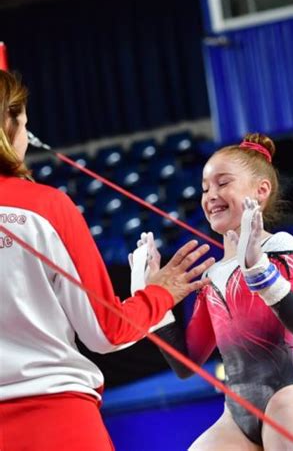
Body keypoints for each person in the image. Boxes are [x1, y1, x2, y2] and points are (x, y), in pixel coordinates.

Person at [0, 69, 215, 451]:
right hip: (58, 424)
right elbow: (107, 331)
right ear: (10, 125)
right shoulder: (45, 206)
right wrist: (160, 293)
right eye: (25, 126)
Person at [136, 133, 293, 450]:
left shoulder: (280, 248)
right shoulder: (212, 276)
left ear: (260, 191)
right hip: (236, 414)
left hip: (287, 398)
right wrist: (155, 301)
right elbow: (187, 365)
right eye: (205, 187)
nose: (211, 194)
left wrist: (259, 270)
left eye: (223, 183)